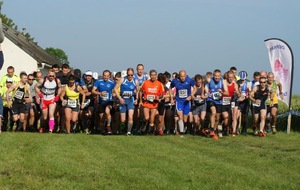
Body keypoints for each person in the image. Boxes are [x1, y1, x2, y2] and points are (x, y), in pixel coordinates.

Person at [114, 68, 139, 135]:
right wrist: (120, 98)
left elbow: (137, 90)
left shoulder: (135, 81)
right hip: (123, 101)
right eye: (129, 75)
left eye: (131, 75)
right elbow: (115, 89)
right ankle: (122, 130)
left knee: (130, 116)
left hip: (130, 101)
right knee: (123, 120)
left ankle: (129, 132)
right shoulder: (123, 79)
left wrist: (136, 99)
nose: (130, 76)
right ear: (127, 74)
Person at [170, 70, 195, 137]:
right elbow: (170, 88)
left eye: (184, 76)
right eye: (181, 76)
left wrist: (191, 95)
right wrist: (171, 98)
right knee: (180, 116)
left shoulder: (189, 80)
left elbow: (195, 88)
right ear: (179, 76)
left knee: (185, 119)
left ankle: (180, 129)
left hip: (187, 102)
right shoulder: (175, 81)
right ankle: (181, 133)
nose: (183, 78)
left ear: (186, 75)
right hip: (179, 101)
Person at [139, 70, 164, 135]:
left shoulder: (159, 84)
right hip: (146, 103)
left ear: (156, 75)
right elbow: (141, 91)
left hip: (154, 104)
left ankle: (148, 132)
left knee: (152, 119)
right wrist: (141, 100)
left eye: (154, 75)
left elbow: (162, 94)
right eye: (152, 75)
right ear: (150, 75)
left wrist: (159, 97)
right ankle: (142, 125)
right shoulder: (146, 82)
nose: (153, 76)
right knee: (146, 117)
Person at [92, 70, 115, 135]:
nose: (106, 77)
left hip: (109, 101)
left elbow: (115, 90)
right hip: (101, 102)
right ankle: (102, 130)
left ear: (109, 76)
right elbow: (93, 91)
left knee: (107, 111)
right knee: (102, 119)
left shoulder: (112, 83)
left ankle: (108, 127)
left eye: (107, 76)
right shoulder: (98, 81)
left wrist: (115, 97)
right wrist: (100, 93)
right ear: (103, 75)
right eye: (105, 75)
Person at [204, 69, 223, 139]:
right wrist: (206, 92)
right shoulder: (210, 81)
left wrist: (222, 92)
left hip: (219, 101)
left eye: (218, 76)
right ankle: (212, 129)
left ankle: (214, 130)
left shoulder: (222, 81)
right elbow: (204, 85)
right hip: (210, 99)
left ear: (220, 76)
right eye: (215, 76)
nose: (217, 77)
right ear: (213, 75)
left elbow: (226, 91)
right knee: (213, 112)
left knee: (217, 118)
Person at [222, 71, 240, 136]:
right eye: (229, 77)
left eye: (232, 77)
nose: (230, 79)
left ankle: (229, 130)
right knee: (225, 116)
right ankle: (223, 128)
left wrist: (238, 93)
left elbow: (237, 92)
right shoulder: (223, 82)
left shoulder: (234, 84)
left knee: (231, 117)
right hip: (222, 102)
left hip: (230, 102)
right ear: (227, 77)